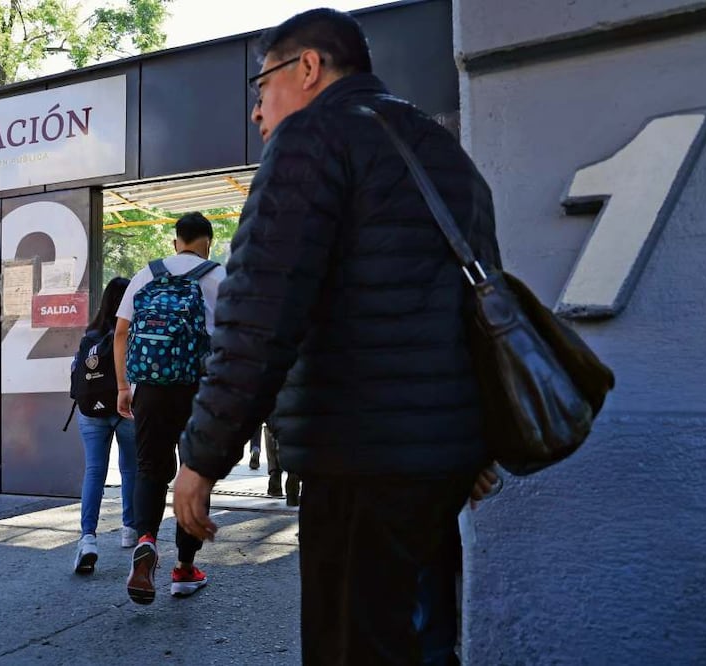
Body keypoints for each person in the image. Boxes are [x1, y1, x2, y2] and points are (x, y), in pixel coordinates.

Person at [171, 9, 501, 664]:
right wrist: (474, 438)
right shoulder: (438, 149)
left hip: (359, 455)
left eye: (261, 86)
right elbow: (480, 304)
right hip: (441, 464)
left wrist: (202, 457)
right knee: (425, 641)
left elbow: (258, 314)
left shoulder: (311, 139)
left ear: (308, 68)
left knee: (353, 646)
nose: (256, 111)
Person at [114, 212, 227, 605]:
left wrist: (124, 386)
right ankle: (184, 569)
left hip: (150, 388)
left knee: (150, 467)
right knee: (194, 470)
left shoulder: (147, 274)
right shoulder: (218, 277)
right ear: (207, 242)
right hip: (199, 388)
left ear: (176, 241)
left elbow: (121, 332)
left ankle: (146, 539)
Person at [72, 276, 139, 574]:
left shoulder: (91, 334)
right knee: (130, 469)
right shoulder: (132, 332)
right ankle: (130, 529)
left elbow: (76, 373)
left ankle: (88, 537)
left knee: (94, 471)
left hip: (91, 411)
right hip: (127, 408)